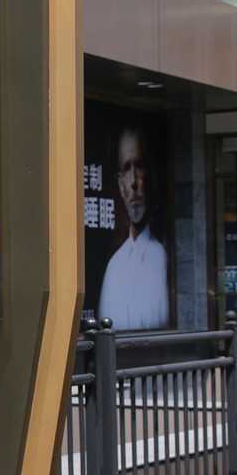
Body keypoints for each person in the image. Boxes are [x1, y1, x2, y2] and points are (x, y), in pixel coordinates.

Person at [98, 126, 168, 331]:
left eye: (139, 166)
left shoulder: (163, 257)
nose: (133, 182)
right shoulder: (114, 267)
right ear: (121, 185)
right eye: (127, 169)